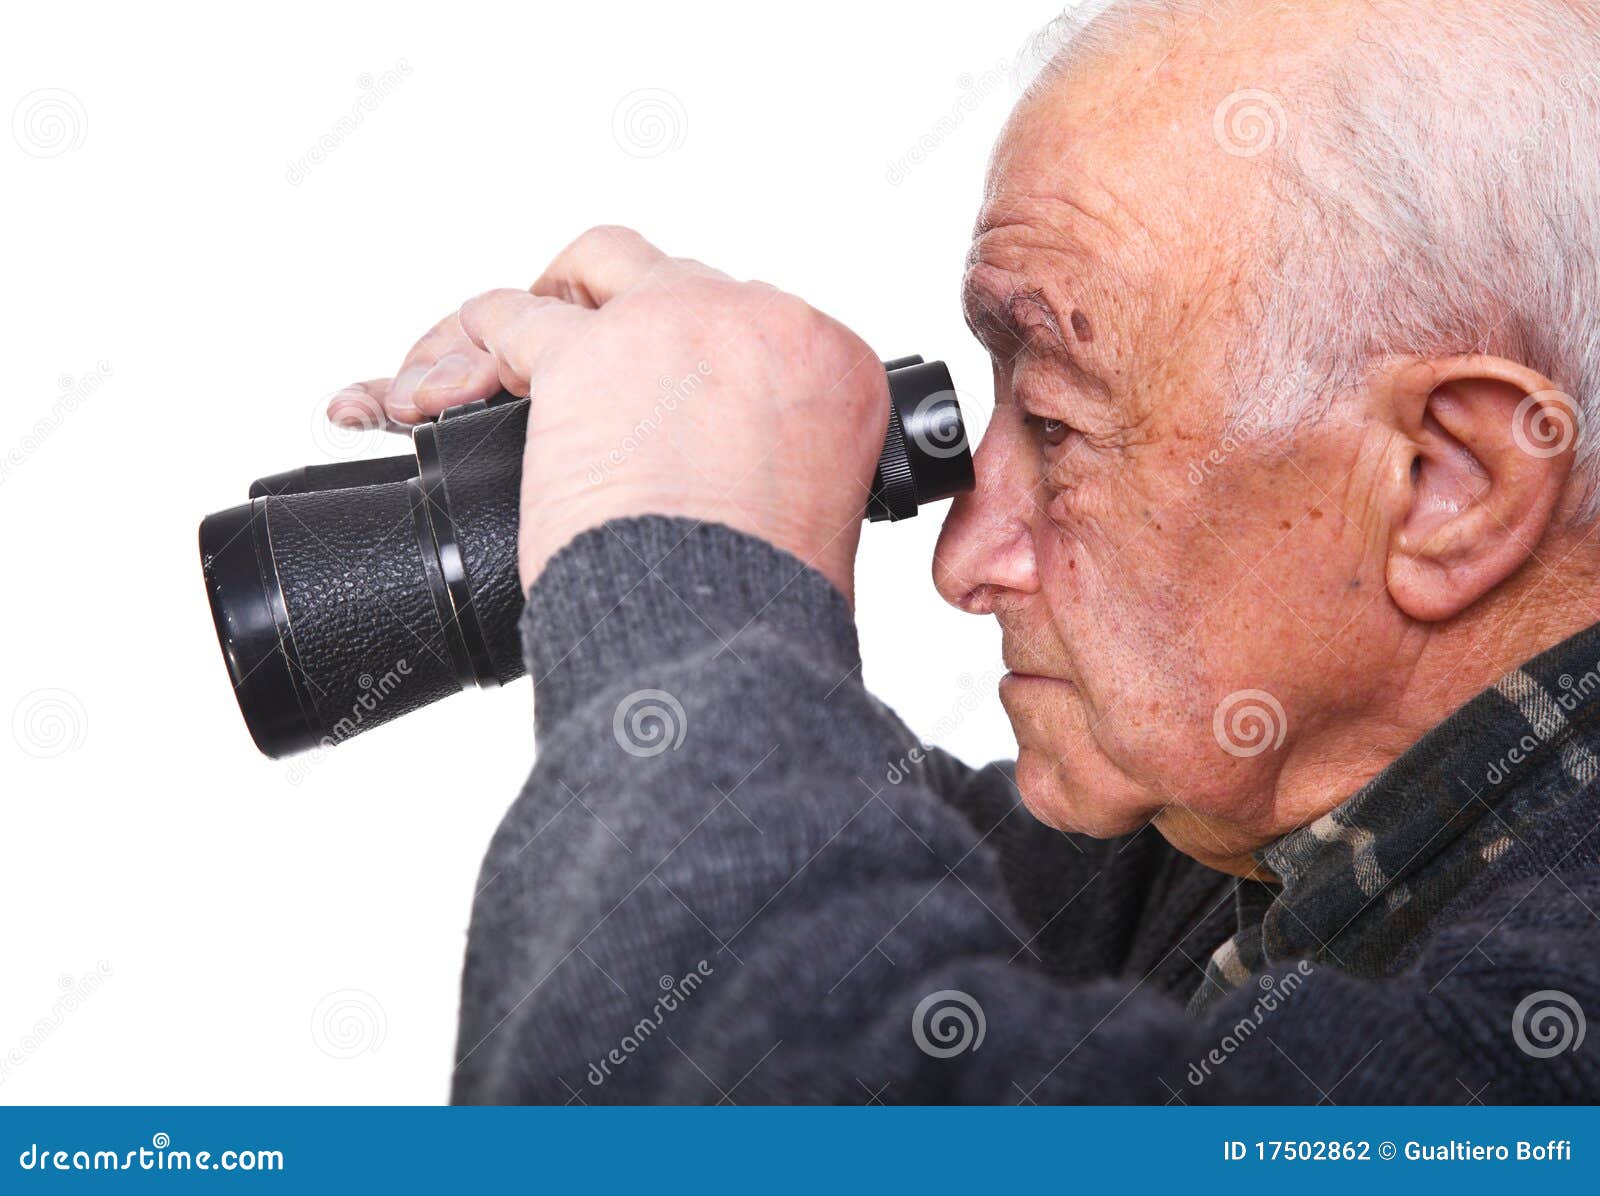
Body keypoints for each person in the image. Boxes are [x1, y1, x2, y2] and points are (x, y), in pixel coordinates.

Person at [329, 0, 1600, 1102]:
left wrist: (679, 577)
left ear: (1446, 484)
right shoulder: (1273, 834)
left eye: (1052, 421)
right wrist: (605, 509)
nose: (964, 559)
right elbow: (852, 904)